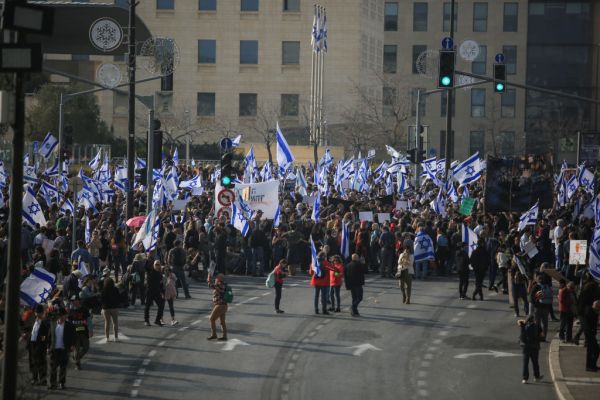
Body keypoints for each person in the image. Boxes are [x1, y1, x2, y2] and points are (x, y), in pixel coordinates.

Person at [48, 308, 75, 390]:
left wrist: (72, 345)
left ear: (66, 316)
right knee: (53, 367)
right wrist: (48, 347)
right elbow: (49, 336)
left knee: (63, 367)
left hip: (64, 349)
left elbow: (74, 336)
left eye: (62, 315)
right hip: (54, 349)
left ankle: (61, 383)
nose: (61, 317)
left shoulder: (69, 325)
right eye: (59, 316)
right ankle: (53, 384)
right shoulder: (53, 324)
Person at [26, 304, 49, 386]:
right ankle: (34, 378)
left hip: (40, 345)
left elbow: (45, 335)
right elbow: (30, 331)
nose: (38, 314)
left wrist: (43, 344)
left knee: (41, 362)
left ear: (42, 313)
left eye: (39, 312)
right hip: (32, 344)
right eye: (36, 312)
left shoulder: (45, 323)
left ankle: (43, 379)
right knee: (33, 362)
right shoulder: (33, 321)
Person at [68, 294, 91, 369]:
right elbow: (69, 322)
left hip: (84, 332)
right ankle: (77, 364)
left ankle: (76, 358)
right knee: (76, 349)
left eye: (74, 301)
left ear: (78, 301)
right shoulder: (71, 311)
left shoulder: (84, 309)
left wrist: (91, 330)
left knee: (86, 347)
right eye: (72, 301)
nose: (73, 302)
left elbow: (89, 320)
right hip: (75, 333)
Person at [518, 315, 543, 384]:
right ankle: (536, 377)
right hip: (535, 347)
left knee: (525, 363)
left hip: (526, 347)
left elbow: (519, 321)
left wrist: (524, 322)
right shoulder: (538, 326)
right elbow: (542, 336)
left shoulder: (523, 326)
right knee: (535, 363)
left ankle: (525, 378)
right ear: (534, 320)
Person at [207, 273, 228, 341]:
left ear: (219, 279)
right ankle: (224, 336)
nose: (215, 279)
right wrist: (210, 279)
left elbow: (211, 286)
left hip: (220, 305)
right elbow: (213, 285)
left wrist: (209, 278)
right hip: (223, 305)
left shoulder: (220, 285)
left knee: (211, 319)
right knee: (222, 322)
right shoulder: (223, 284)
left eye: (217, 278)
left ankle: (214, 334)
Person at [144, 260, 166, 327]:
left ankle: (157, 320)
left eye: (158, 265)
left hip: (157, 292)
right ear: (153, 265)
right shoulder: (150, 271)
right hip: (149, 291)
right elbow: (145, 266)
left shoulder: (160, 274)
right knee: (147, 306)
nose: (157, 266)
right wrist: (148, 257)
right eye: (156, 264)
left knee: (161, 305)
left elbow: (161, 284)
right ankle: (146, 320)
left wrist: (163, 293)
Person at [100, 277, 120, 342]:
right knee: (115, 323)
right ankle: (116, 337)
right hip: (114, 307)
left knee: (107, 323)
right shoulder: (115, 289)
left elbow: (101, 300)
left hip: (106, 308)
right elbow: (118, 297)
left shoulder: (103, 290)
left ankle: (107, 337)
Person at [557, 279, 575, 343]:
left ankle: (568, 338)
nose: (572, 289)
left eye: (573, 288)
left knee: (570, 325)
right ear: (567, 286)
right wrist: (570, 302)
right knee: (563, 324)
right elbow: (561, 300)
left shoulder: (572, 292)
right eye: (571, 287)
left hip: (570, 310)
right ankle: (561, 337)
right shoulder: (563, 291)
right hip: (564, 310)